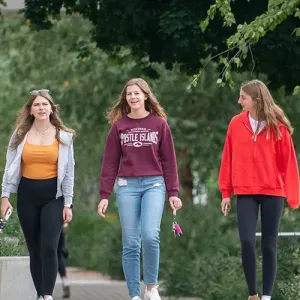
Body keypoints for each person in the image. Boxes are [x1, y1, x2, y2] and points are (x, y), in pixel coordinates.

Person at [98, 78, 183, 300]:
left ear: (146, 96)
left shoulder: (159, 124)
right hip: (127, 186)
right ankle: (135, 294)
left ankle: (151, 287)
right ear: (125, 98)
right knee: (131, 242)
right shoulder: (119, 127)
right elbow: (109, 163)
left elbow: (169, 161)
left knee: (150, 235)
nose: (133, 97)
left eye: (137, 93)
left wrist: (173, 192)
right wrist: (104, 195)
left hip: (154, 184)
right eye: (129, 94)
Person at [218, 80, 300, 300]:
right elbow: (228, 158)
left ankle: (266, 296)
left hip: (273, 192)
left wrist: (292, 196)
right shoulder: (236, 123)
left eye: (243, 97)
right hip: (245, 191)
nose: (239, 100)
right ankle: (252, 293)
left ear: (255, 100)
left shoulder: (278, 126)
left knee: (269, 244)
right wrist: (226, 192)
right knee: (246, 240)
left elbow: (289, 163)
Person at [0, 89, 75, 300]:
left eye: (45, 104)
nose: (41, 108)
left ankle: (48, 295)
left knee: (49, 246)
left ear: (51, 108)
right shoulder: (20, 135)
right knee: (34, 247)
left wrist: (68, 203)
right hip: (27, 195)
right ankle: (40, 294)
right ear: (30, 110)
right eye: (37, 105)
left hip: (54, 196)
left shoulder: (64, 137)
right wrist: (5, 196)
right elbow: (10, 167)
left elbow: (69, 173)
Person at [57, 224, 71, 298]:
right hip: (60, 228)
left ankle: (44, 289)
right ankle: (65, 281)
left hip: (47, 229)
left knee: (47, 257)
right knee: (58, 257)